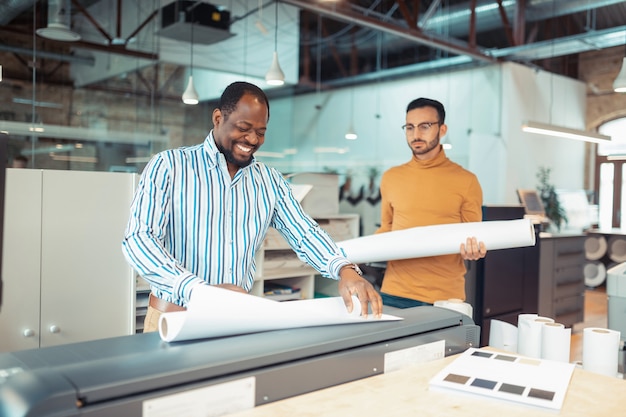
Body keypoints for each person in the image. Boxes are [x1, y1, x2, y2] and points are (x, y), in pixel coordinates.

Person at [122, 81, 382, 332]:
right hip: (175, 318)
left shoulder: (269, 181)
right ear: (217, 119)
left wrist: (344, 269)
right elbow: (138, 239)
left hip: (237, 321)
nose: (252, 139)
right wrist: (197, 290)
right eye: (243, 127)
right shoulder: (170, 166)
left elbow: (305, 233)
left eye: (260, 132)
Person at [376, 97, 487, 309]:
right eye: (410, 127)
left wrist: (475, 249)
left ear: (442, 129)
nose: (416, 135)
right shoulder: (391, 177)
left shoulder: (466, 181)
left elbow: (475, 237)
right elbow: (386, 229)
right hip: (393, 291)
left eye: (425, 126)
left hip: (444, 297)